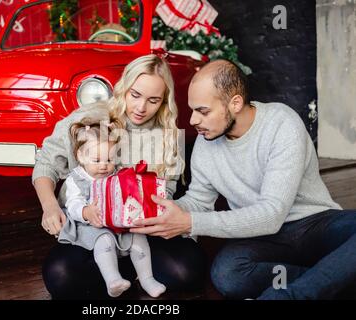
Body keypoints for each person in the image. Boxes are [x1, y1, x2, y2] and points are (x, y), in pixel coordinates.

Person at [131, 59, 356, 300]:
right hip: (261, 238)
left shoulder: (281, 123)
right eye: (193, 110)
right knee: (228, 274)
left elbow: (271, 214)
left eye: (203, 111)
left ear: (235, 103)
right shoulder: (206, 142)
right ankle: (336, 279)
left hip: (314, 225)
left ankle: (291, 295)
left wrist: (189, 222)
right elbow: (199, 200)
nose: (194, 120)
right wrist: (173, 211)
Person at [32, 54, 207, 299]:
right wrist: (50, 206)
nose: (141, 107)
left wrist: (151, 213)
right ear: (123, 86)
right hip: (92, 228)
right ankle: (119, 270)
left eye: (153, 100)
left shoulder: (167, 134)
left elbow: (165, 192)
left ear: (163, 102)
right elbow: (46, 163)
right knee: (60, 277)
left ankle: (128, 268)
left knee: (186, 272)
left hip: (141, 230)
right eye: (135, 95)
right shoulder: (90, 119)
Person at [57, 117, 166, 298]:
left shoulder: (116, 174)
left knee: (138, 238)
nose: (104, 165)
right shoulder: (76, 179)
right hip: (91, 225)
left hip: (116, 221)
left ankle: (147, 279)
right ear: (80, 156)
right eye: (97, 160)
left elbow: (125, 193)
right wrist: (85, 212)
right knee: (104, 239)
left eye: (109, 159)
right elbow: (73, 203)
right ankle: (113, 280)